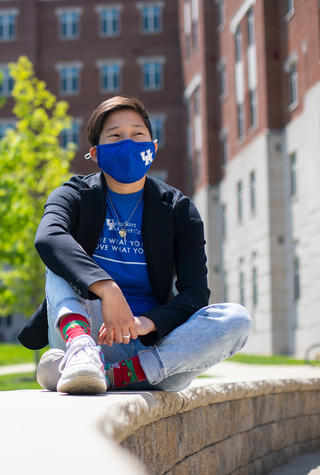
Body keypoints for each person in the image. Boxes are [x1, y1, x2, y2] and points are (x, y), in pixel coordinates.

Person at [18, 96, 251, 394]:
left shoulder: (177, 209)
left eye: (137, 134)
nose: (127, 142)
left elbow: (195, 293)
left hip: (150, 348)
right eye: (114, 136)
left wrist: (146, 323)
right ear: (96, 153)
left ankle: (107, 375)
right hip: (87, 330)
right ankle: (80, 355)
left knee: (236, 319)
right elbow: (48, 237)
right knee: (60, 258)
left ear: (152, 148)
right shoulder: (74, 194)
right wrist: (106, 288)